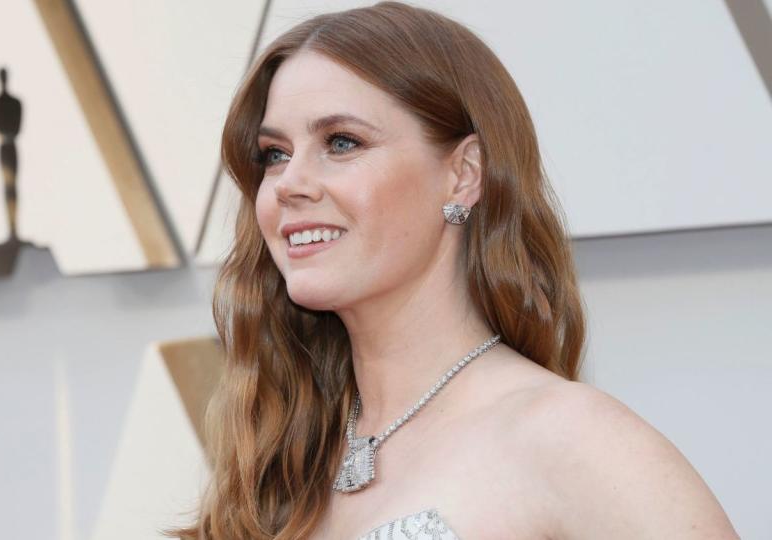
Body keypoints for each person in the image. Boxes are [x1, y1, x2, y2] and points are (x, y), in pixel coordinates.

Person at [170, 2, 739, 538]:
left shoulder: (569, 437)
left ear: (464, 174)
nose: (289, 183)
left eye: (341, 142)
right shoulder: (279, 455)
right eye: (275, 154)